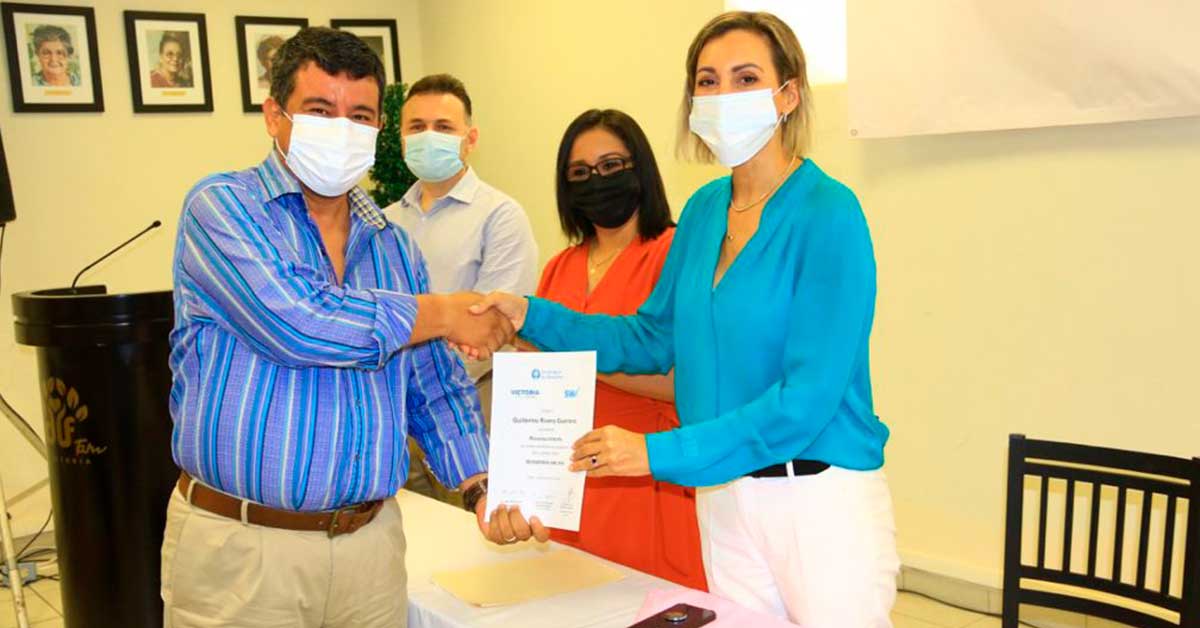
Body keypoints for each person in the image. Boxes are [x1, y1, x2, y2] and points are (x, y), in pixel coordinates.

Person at [470, 11, 900, 626]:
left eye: (745, 78)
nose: (724, 95)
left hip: (817, 497)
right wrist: (530, 314)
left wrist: (657, 451)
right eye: (707, 81)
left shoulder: (829, 213)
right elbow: (649, 337)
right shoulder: (703, 212)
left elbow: (806, 400)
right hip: (723, 494)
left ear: (788, 94)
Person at [163, 27, 543, 628]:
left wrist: (479, 482)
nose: (341, 130)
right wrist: (445, 311)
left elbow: (433, 383)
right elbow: (301, 323)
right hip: (246, 550)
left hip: (371, 548)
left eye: (360, 117)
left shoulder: (395, 247)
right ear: (274, 115)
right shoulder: (223, 208)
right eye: (320, 111)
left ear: (377, 130)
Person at [531, 108, 706, 590]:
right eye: (580, 172)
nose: (597, 180)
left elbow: (688, 382)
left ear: (640, 168)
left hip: (648, 482)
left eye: (611, 166)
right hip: (570, 487)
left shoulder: (676, 254)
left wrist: (575, 361)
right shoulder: (559, 267)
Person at [383, 73, 538, 502]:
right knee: (407, 535)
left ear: (470, 139)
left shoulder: (500, 216)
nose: (428, 136)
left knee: (472, 530)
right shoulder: (384, 222)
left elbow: (492, 326)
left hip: (471, 408)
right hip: (395, 418)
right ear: (401, 139)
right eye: (417, 127)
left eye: (443, 127)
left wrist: (427, 385)